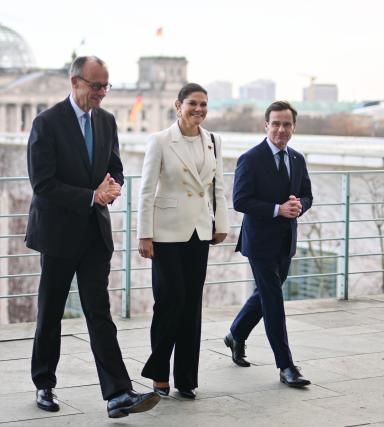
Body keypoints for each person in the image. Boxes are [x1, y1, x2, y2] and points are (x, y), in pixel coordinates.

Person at [25, 55, 160, 419]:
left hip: (94, 235)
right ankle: (44, 384)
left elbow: (114, 167)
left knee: (99, 313)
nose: (101, 93)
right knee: (50, 314)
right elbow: (43, 184)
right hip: (56, 235)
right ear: (75, 82)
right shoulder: (46, 123)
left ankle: (118, 394)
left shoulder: (107, 121)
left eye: (105, 86)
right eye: (95, 86)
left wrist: (111, 187)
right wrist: (90, 196)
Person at [137, 83, 230, 399]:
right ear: (178, 106)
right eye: (193, 104)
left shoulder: (214, 142)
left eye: (204, 104)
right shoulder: (161, 141)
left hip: (200, 232)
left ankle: (187, 378)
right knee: (170, 302)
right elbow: (147, 191)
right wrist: (144, 234)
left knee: (191, 307)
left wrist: (221, 224)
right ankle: (159, 372)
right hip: (166, 233)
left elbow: (218, 187)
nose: (199, 110)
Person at [224, 101, 313, 387]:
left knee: (264, 295)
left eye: (286, 124)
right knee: (273, 301)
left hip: (286, 241)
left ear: (293, 127)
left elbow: (307, 195)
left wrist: (299, 205)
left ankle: (235, 334)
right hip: (260, 242)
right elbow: (240, 200)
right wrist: (277, 209)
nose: (281, 129)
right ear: (266, 125)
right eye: (275, 123)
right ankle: (286, 366)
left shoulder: (298, 159)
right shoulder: (250, 159)